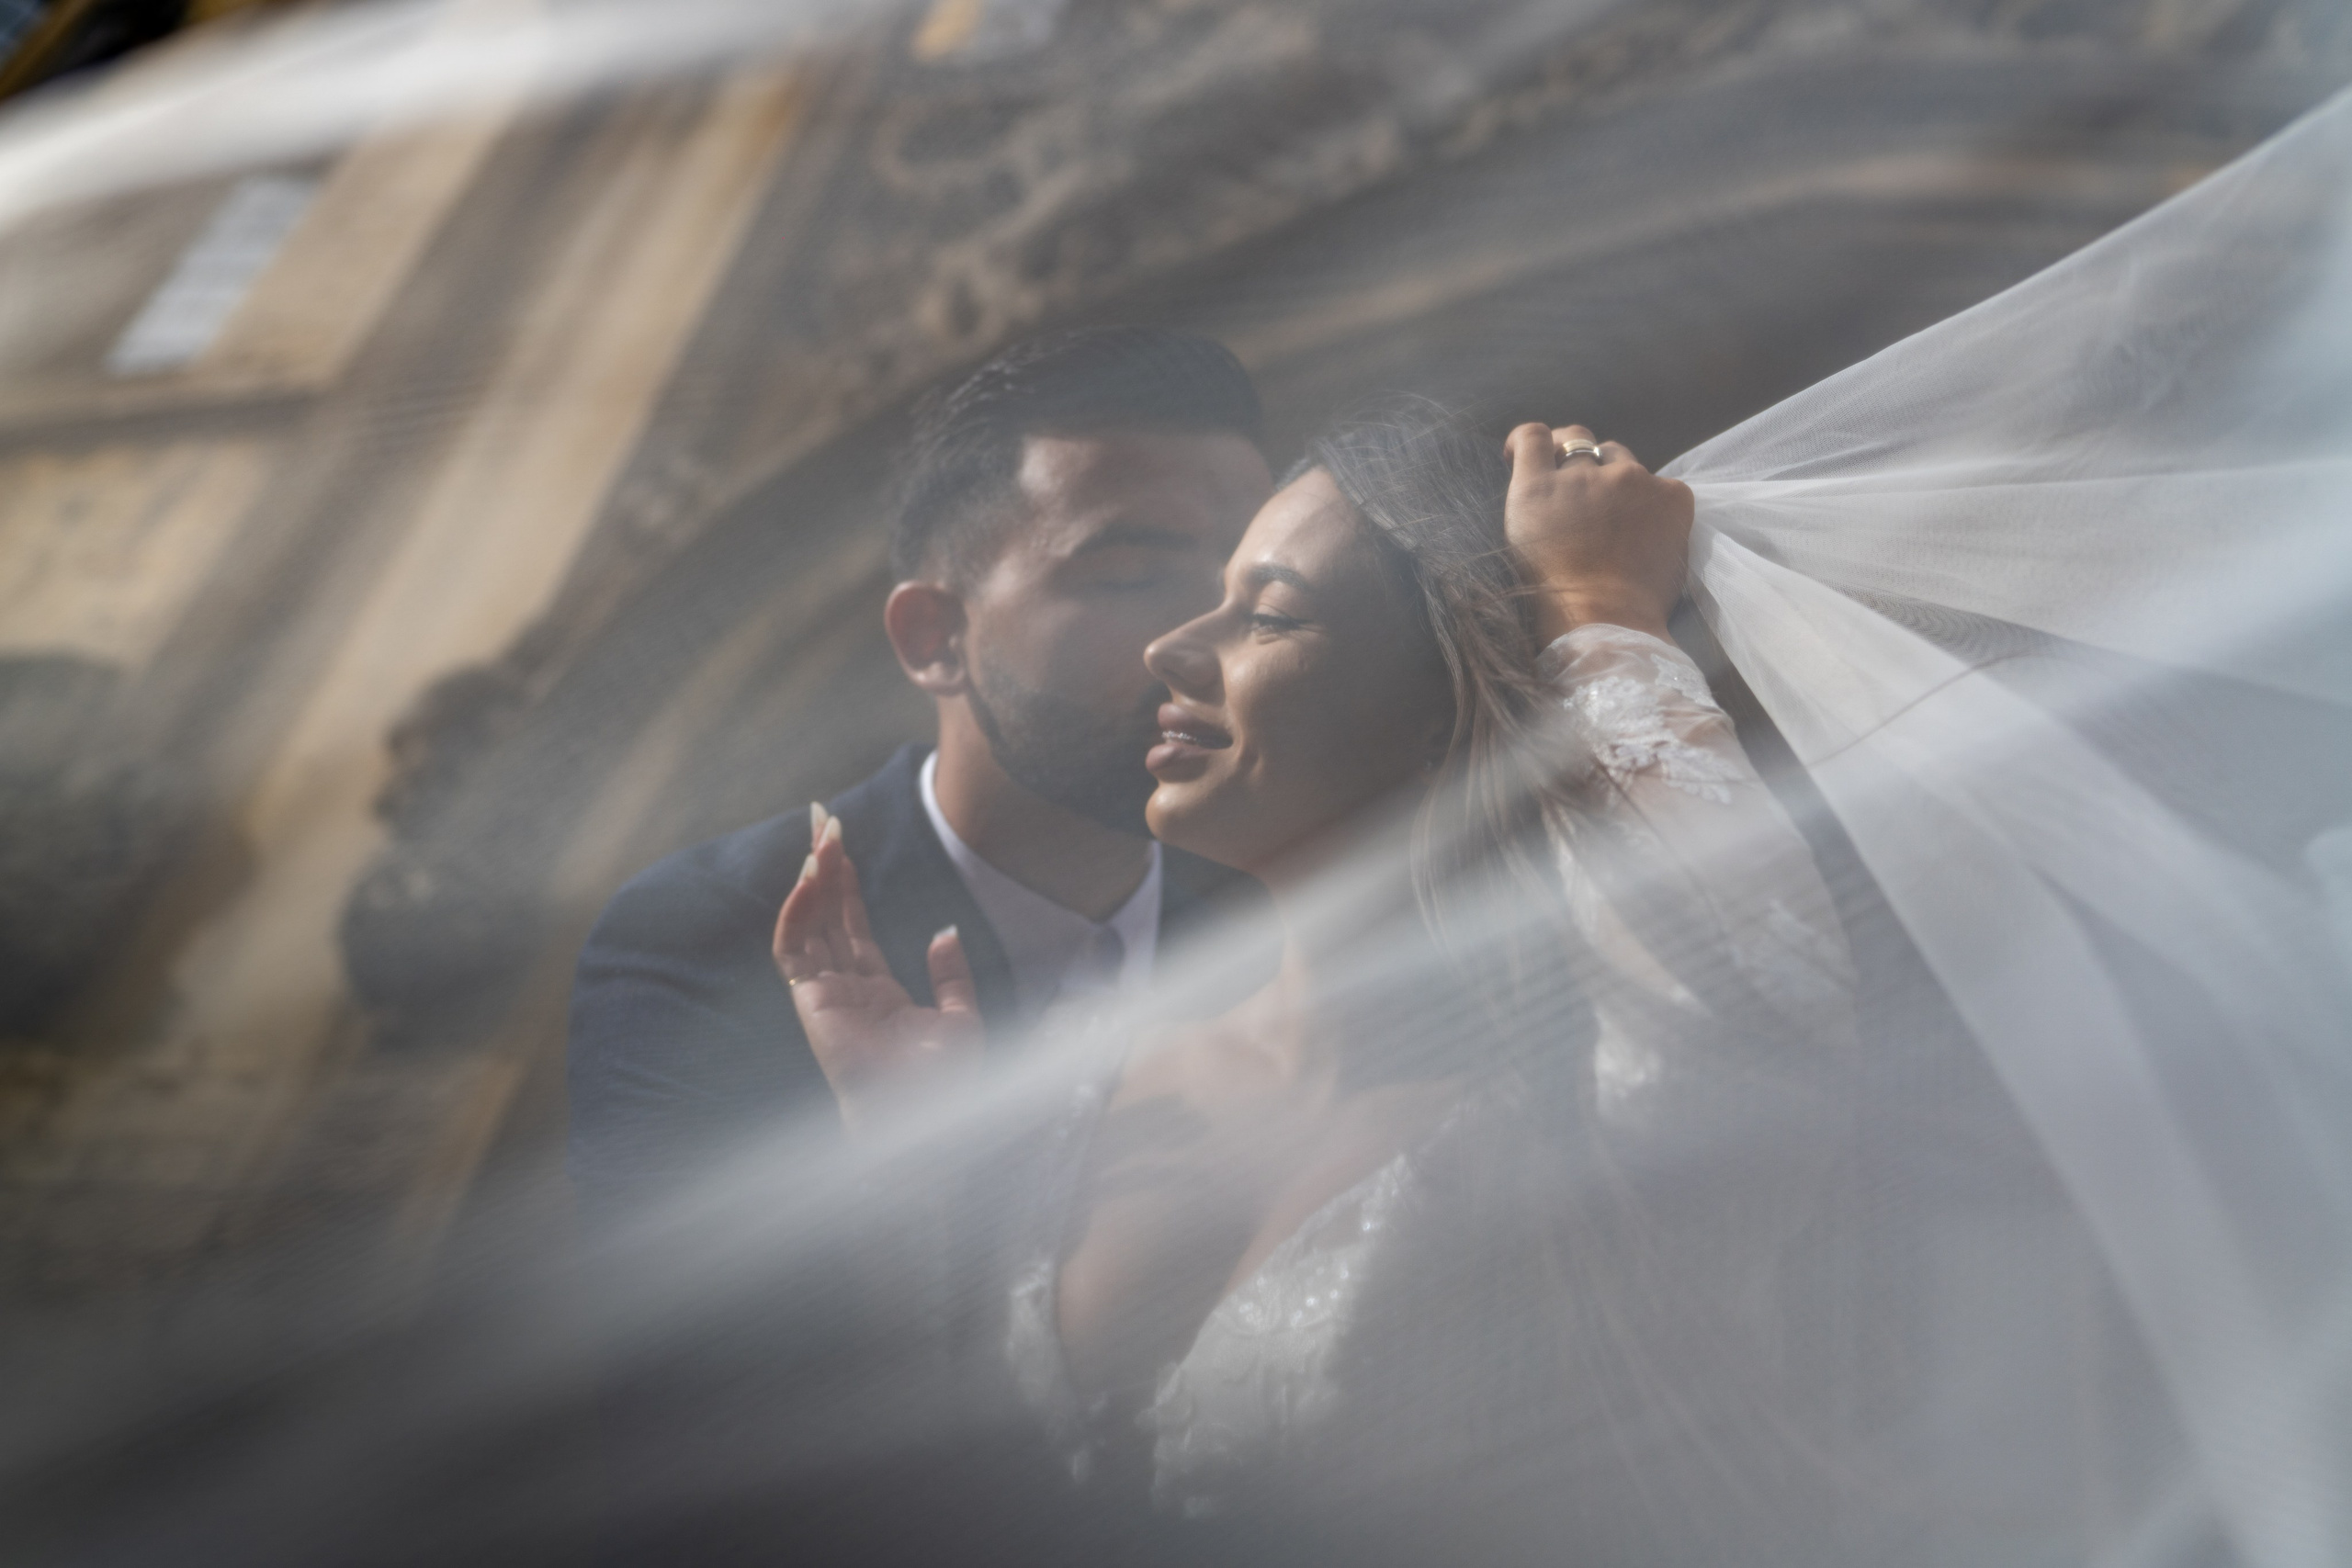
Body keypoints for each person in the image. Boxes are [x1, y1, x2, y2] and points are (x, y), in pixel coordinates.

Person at [777, 400, 1859, 1561]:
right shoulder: (1081, 1078)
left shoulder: (1578, 1102)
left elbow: (1765, 1001)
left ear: (1433, 718)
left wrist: (1596, 613)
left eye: (1268, 616)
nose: (1171, 650)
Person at [565, 326, 1278, 1236]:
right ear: (934, 639)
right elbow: (669, 1368)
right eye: (1133, 572)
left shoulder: (1287, 924)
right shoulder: (715, 935)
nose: (1207, 639)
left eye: (1248, 591)